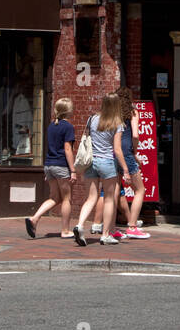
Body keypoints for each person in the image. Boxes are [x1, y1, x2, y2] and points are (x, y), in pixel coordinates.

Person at [72, 93, 129, 247]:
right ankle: (105, 235)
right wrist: (125, 169)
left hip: (91, 162)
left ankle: (80, 225)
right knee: (109, 199)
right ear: (117, 106)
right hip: (107, 163)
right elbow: (117, 150)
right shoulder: (117, 123)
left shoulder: (92, 119)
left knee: (91, 198)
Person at [26, 98, 75, 239]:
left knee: (54, 197)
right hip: (61, 165)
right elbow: (67, 149)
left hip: (49, 165)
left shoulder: (51, 126)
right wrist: (73, 170)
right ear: (68, 111)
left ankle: (34, 218)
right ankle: (65, 230)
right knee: (67, 198)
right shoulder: (68, 127)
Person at [115, 86, 150, 239]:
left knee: (114, 190)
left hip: (112, 153)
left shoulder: (113, 113)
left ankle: (110, 228)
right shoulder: (132, 111)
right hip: (126, 153)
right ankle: (132, 226)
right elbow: (135, 135)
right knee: (140, 190)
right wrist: (134, 153)